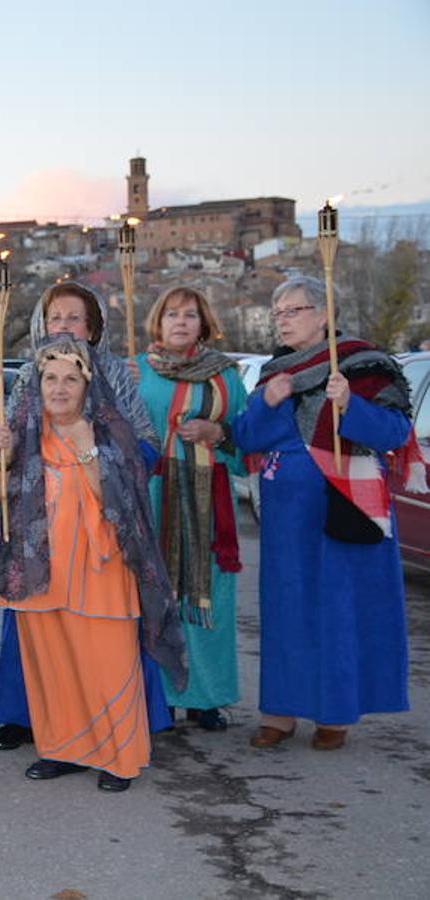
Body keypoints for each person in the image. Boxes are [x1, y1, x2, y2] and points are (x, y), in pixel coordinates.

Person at [0, 339, 186, 792]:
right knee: (54, 665)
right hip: (40, 569)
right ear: (38, 384)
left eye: (71, 378)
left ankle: (119, 756)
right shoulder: (24, 433)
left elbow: (122, 502)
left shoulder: (113, 431)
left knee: (109, 665)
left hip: (100, 568)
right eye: (51, 378)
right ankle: (63, 749)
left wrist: (87, 448)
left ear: (89, 385)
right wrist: (0, 460)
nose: (60, 388)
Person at [233, 275, 415, 751]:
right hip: (287, 513)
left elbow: (395, 433)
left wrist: (349, 404)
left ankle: (336, 714)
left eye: (293, 311)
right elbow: (247, 440)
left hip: (346, 502)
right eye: (279, 313)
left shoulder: (365, 364)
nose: (283, 320)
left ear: (322, 314)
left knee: (337, 607)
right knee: (286, 610)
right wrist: (269, 405)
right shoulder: (276, 372)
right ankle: (280, 712)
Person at [134, 287, 246, 732]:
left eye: (191, 315)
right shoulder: (137, 371)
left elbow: (244, 434)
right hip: (153, 496)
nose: (181, 322)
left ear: (204, 323)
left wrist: (215, 432)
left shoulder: (226, 376)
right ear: (157, 322)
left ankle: (205, 697)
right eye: (172, 314)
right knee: (155, 594)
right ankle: (158, 694)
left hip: (206, 501)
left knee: (208, 598)